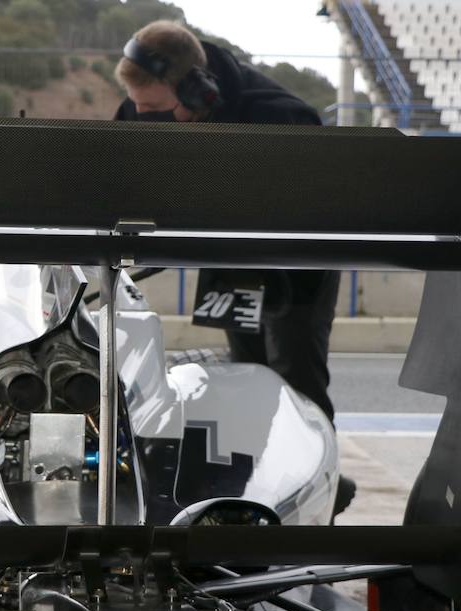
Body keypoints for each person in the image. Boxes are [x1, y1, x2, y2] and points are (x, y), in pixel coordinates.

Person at [112, 21, 341, 422]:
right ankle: (252, 476)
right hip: (231, 262)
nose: (141, 118)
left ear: (198, 92)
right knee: (245, 378)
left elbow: (317, 204)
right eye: (137, 107)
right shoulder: (142, 104)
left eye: (154, 110)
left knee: (297, 381)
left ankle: (320, 475)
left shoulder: (280, 117)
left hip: (297, 264)